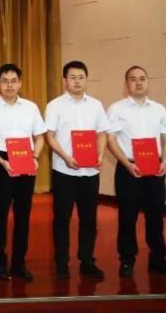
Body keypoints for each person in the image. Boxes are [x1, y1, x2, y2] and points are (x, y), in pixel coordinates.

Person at [106, 65, 166, 279]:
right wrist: (127, 164)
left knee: (156, 217)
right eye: (133, 79)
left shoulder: (159, 109)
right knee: (127, 218)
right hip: (128, 169)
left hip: (155, 170)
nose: (138, 82)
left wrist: (165, 163)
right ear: (126, 84)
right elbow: (111, 140)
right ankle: (127, 260)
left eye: (142, 78)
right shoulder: (116, 109)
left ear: (148, 82)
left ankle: (158, 259)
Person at [0, 63, 45, 282]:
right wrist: (1, 161)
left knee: (23, 216)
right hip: (1, 161)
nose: (9, 85)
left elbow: (40, 137)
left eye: (13, 81)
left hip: (26, 160)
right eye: (4, 81)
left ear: (20, 83)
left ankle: (18, 263)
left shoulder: (31, 108)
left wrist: (35, 158)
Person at [44, 61, 109, 280]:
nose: (77, 81)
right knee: (62, 218)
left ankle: (87, 261)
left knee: (89, 218)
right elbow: (49, 136)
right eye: (73, 77)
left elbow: (102, 134)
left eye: (81, 77)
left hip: (90, 172)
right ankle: (62, 262)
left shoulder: (96, 105)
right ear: (65, 81)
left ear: (86, 80)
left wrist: (100, 155)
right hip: (64, 171)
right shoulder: (54, 106)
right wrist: (66, 156)